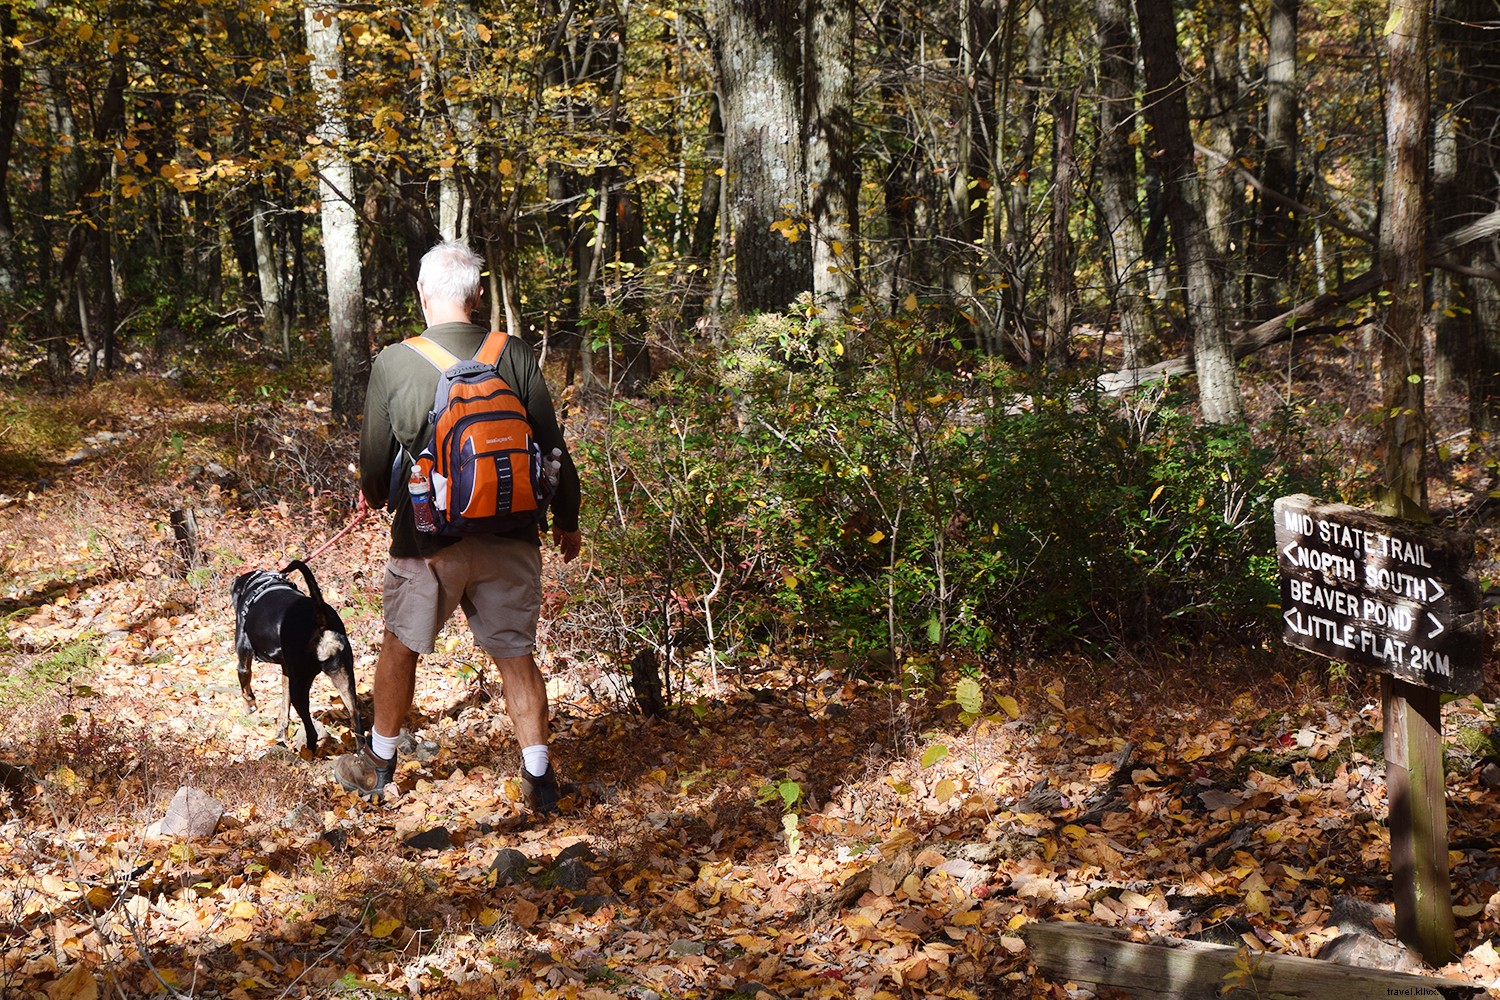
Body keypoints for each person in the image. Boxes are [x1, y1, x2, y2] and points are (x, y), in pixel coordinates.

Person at [335, 238, 582, 813]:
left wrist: (376, 495)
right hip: (513, 535)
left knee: (400, 646)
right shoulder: (513, 353)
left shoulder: (395, 361)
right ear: (476, 296)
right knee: (516, 655)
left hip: (428, 542)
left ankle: (379, 763)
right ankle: (539, 777)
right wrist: (566, 519)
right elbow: (552, 446)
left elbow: (374, 466)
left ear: (423, 293)